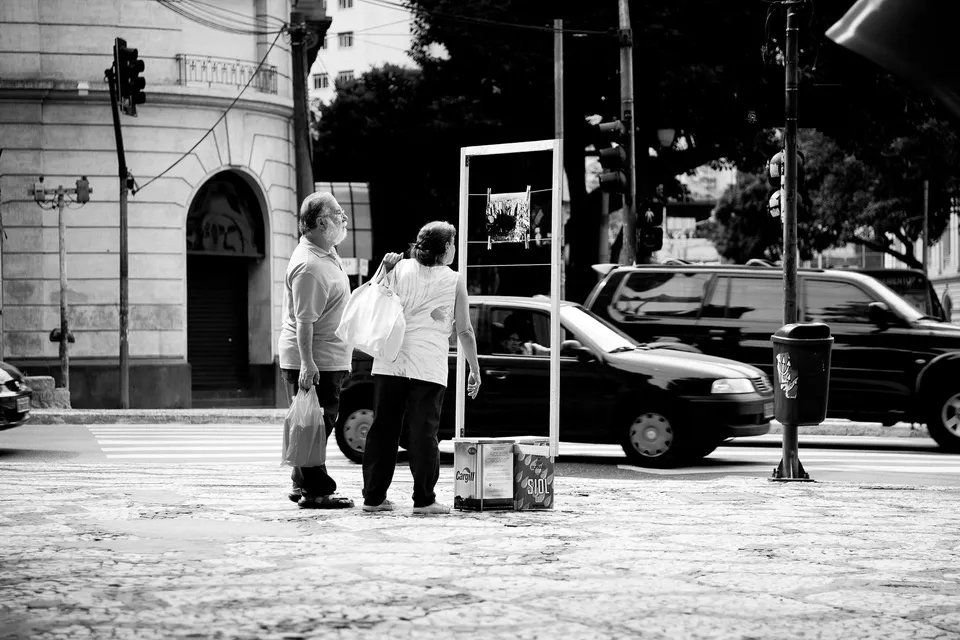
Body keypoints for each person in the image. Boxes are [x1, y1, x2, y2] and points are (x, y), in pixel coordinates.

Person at [361, 221, 482, 515]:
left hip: (391, 360)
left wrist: (383, 269)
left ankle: (373, 499)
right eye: (452, 243)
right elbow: (464, 330)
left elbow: (372, 299)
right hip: (428, 366)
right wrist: (474, 369)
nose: (454, 248)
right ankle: (424, 499)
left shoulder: (399, 268)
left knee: (383, 429)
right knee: (423, 432)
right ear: (445, 249)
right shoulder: (455, 280)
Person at [277, 191, 355, 509]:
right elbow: (304, 321)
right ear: (322, 222)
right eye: (339, 214)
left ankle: (301, 482)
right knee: (316, 426)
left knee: (314, 423)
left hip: (326, 356)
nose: (344, 219)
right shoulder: (310, 266)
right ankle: (317, 491)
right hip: (314, 359)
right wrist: (308, 364)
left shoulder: (325, 253)